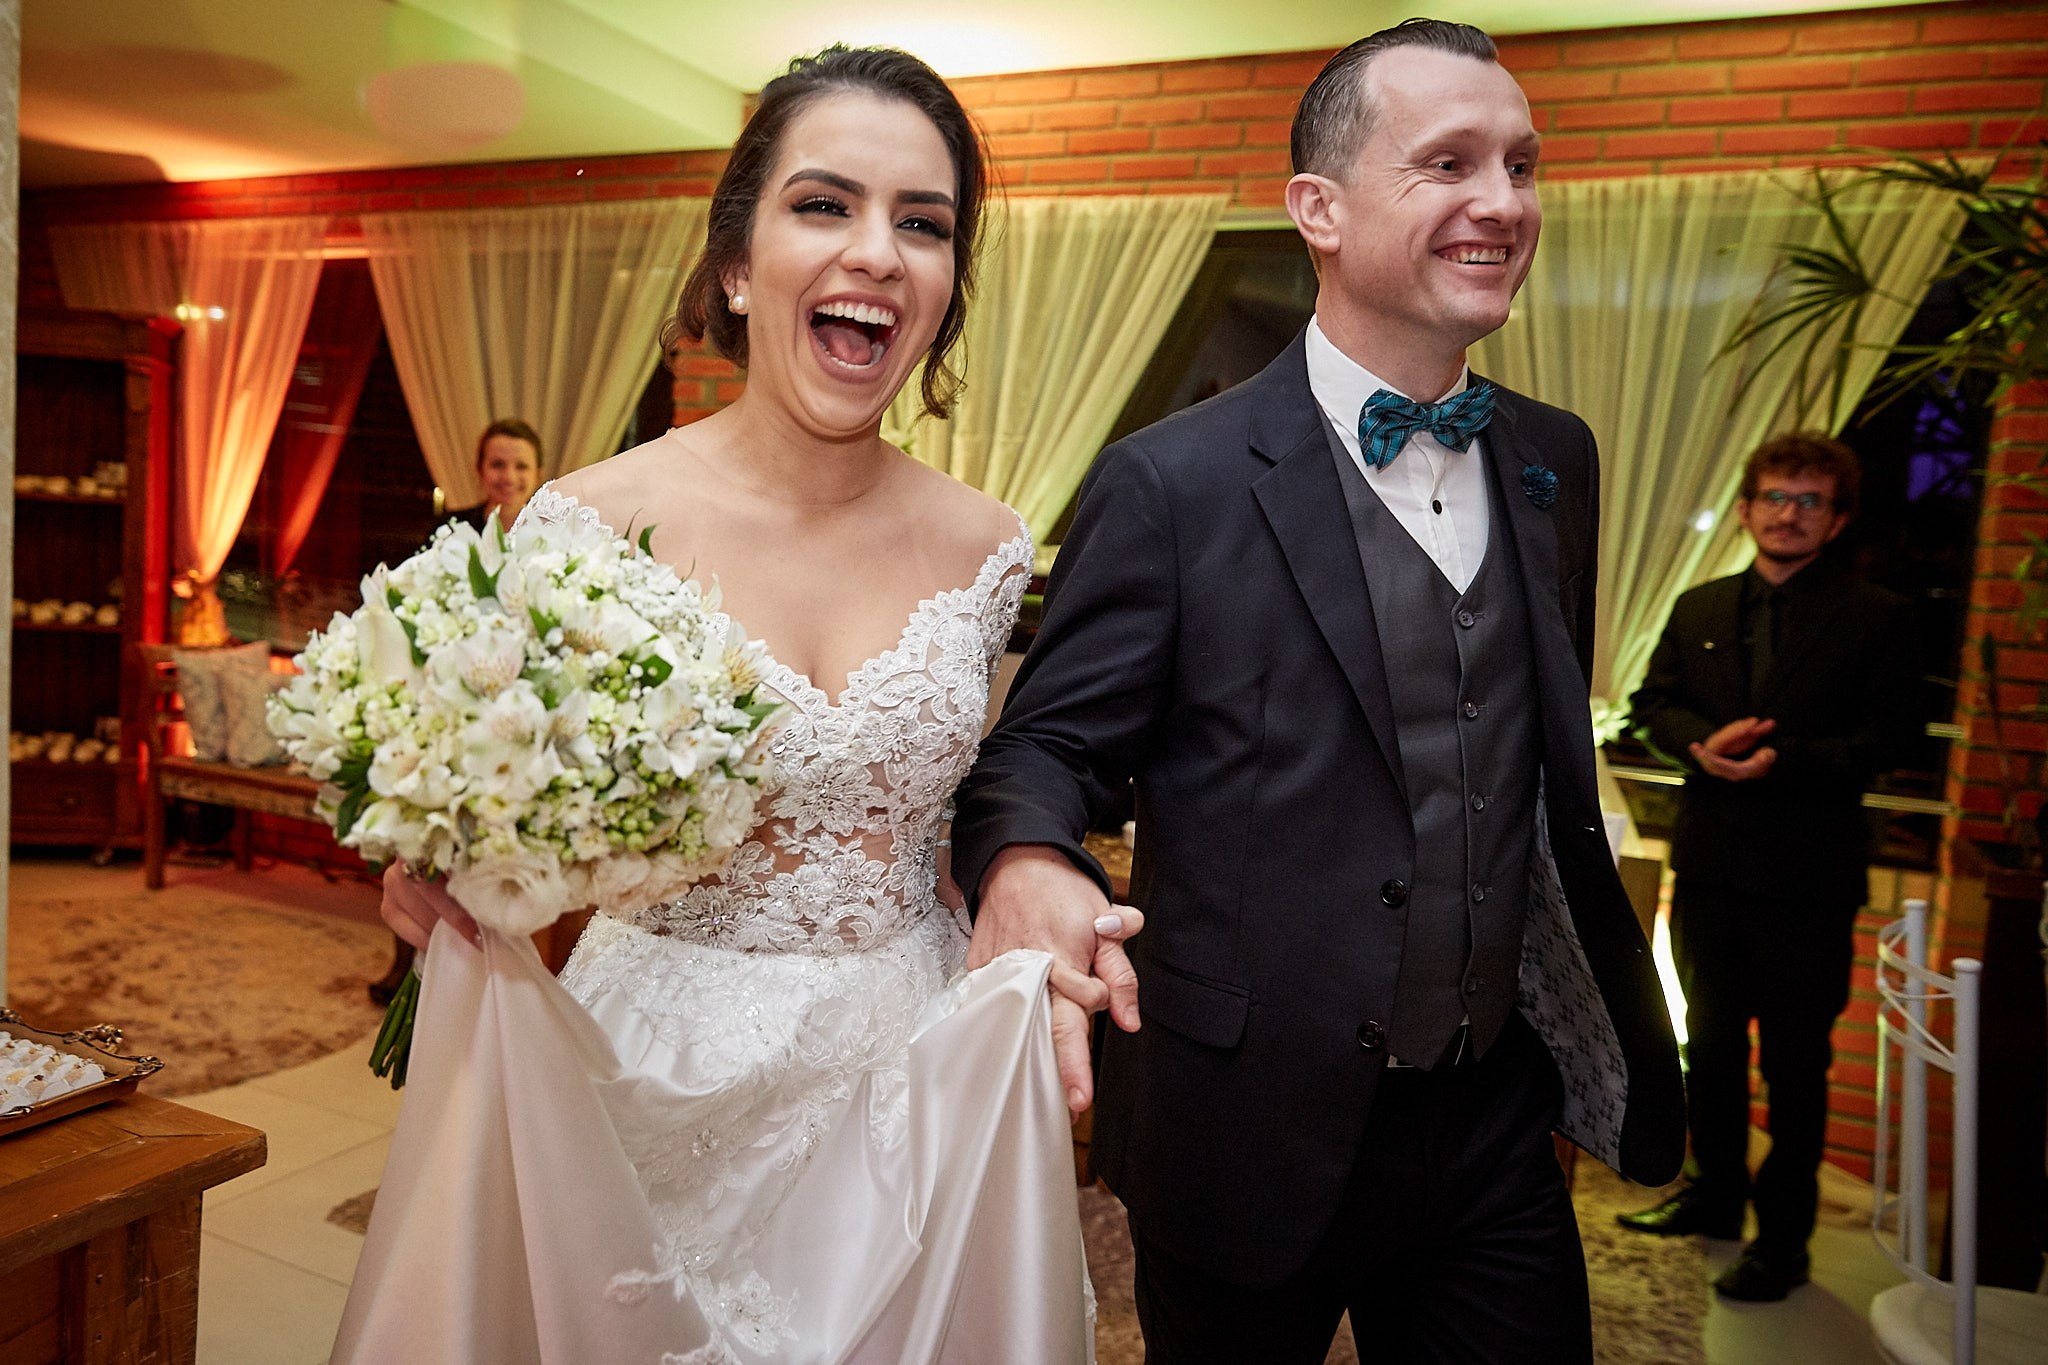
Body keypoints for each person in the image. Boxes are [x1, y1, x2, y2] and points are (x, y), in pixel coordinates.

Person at [337, 47, 1134, 1364]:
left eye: (923, 223)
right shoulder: (586, 523)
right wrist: (442, 861)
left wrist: (1030, 876)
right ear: (734, 264)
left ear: (946, 286)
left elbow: (970, 799)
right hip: (646, 1076)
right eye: (824, 205)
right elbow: (492, 791)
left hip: (907, 1086)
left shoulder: (990, 547)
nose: (876, 251)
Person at [952, 19, 1685, 1362]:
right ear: (1320, 211)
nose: (1503, 202)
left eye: (1521, 166)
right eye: (1448, 164)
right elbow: (1043, 746)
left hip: (1490, 1118)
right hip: (1244, 1116)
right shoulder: (1169, 481)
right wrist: (1026, 858)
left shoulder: (1556, 461)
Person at [1618, 433, 1917, 1301]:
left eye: (1810, 500)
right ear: (1745, 509)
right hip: (1709, 870)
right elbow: (1650, 707)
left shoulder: (1878, 615)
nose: (1789, 514)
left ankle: (1784, 1242)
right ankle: (1712, 1197)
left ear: (1838, 518)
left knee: (1794, 1065)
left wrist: (1784, 761)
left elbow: (1894, 737)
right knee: (1707, 1048)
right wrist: (1700, 746)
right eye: (1776, 497)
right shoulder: (1700, 605)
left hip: (1808, 882)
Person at [467, 416, 542, 527]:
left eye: (521, 466)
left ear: (538, 474)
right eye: (498, 464)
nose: (509, 478)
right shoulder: (449, 529)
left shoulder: (555, 532)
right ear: (480, 470)